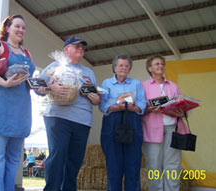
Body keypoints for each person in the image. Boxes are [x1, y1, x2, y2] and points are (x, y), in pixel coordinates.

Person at [0, 15, 35, 191]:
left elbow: (29, 82)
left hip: (20, 108)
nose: (21, 30)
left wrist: (45, 87)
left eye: (23, 28)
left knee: (13, 158)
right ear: (8, 28)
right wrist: (4, 83)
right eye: (17, 26)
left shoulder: (27, 54)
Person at [37, 36, 100, 191]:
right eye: (76, 46)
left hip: (83, 121)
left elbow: (97, 99)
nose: (80, 49)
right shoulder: (54, 66)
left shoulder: (89, 72)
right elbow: (38, 88)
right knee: (58, 156)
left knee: (75, 160)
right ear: (66, 50)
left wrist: (96, 98)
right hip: (58, 117)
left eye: (82, 47)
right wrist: (52, 88)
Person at [142, 54, 190, 191]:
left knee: (173, 165)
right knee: (154, 166)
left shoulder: (173, 86)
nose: (160, 66)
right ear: (149, 68)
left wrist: (182, 112)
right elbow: (139, 109)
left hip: (173, 129)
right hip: (151, 131)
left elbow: (182, 104)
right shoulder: (143, 86)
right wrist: (149, 109)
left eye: (162, 64)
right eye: (156, 64)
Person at [99, 54, 146, 191]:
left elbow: (142, 104)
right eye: (120, 65)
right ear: (114, 68)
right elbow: (102, 105)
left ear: (130, 69)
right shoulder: (106, 83)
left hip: (132, 121)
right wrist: (117, 105)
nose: (124, 68)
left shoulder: (136, 83)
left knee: (133, 165)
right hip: (111, 123)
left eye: (127, 66)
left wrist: (133, 107)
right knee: (113, 166)